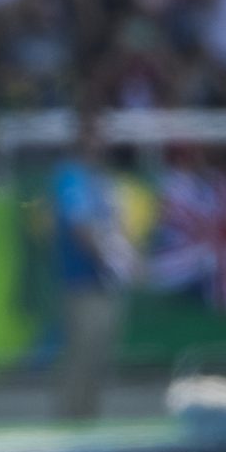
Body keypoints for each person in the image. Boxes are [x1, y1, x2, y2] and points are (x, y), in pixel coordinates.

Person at [50, 107, 137, 420]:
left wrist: (125, 263)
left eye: (101, 135)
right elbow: (82, 229)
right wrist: (113, 260)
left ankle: (88, 422)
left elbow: (115, 229)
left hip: (107, 283)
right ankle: (69, 424)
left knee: (100, 362)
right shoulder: (70, 177)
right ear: (81, 138)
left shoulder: (103, 181)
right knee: (81, 360)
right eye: (92, 134)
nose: (98, 141)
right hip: (83, 284)